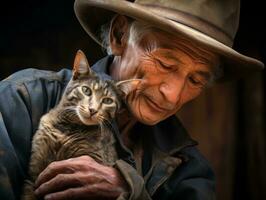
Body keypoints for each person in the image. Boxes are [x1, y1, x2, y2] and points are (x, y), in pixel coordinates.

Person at [0, 0, 264, 200]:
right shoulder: (24, 100)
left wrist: (131, 190)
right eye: (165, 63)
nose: (172, 96)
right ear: (119, 35)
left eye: (196, 80)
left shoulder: (188, 169)